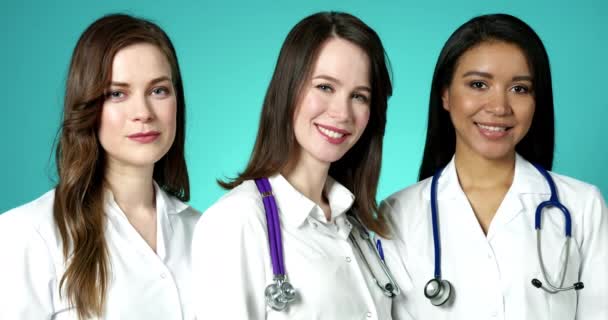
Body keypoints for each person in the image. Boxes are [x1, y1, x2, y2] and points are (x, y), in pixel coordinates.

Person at [381, 13, 608, 320]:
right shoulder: (398, 215)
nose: (499, 107)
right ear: (445, 95)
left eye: (520, 89)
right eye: (478, 84)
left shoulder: (582, 206)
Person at [191, 11, 406, 319]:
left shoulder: (353, 226)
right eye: (325, 87)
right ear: (289, 88)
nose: (342, 112)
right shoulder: (236, 222)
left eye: (359, 96)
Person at [0, 14, 199, 319]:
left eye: (158, 90)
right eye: (117, 94)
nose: (143, 113)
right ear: (88, 105)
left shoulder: (206, 232)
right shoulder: (27, 234)